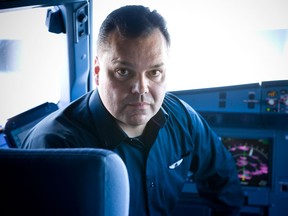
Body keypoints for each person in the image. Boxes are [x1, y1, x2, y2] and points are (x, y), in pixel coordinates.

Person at [22, 5, 244, 215]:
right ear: (98, 71)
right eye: (123, 72)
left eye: (154, 72)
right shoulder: (54, 146)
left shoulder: (182, 118)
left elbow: (223, 181)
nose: (141, 89)